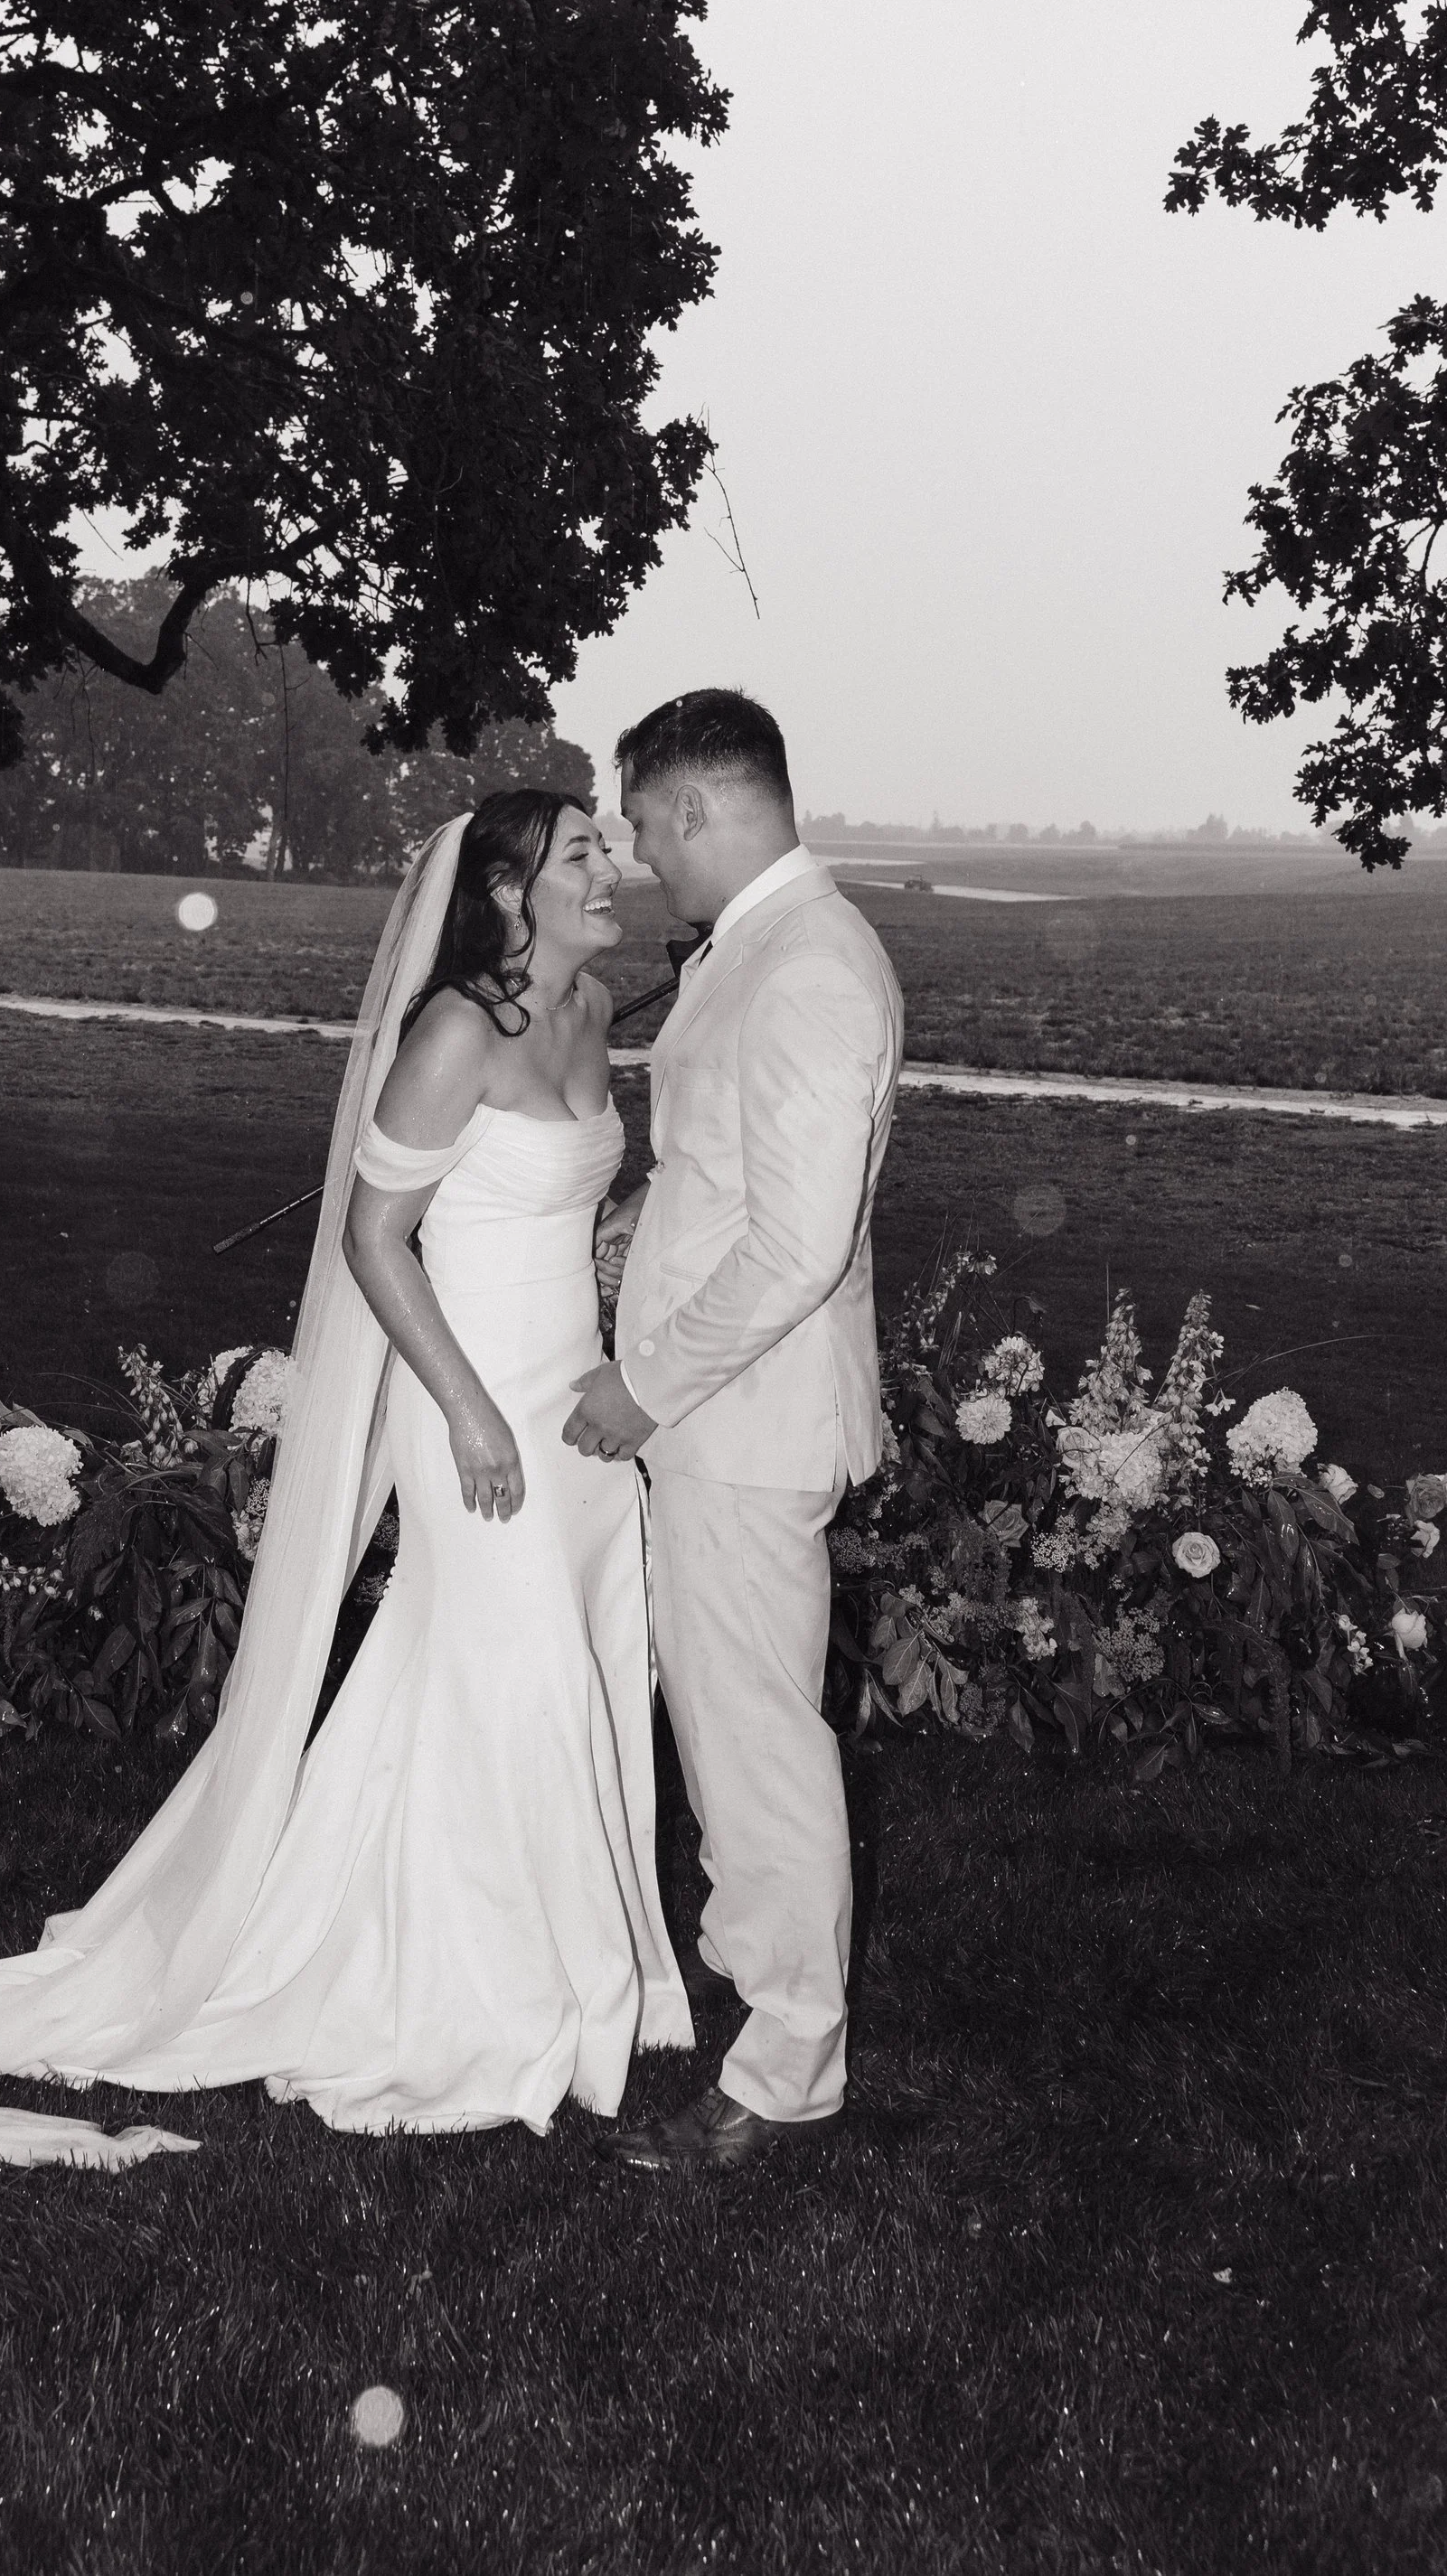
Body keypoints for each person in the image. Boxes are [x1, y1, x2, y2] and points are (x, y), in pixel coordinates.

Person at [0, 793, 687, 2164]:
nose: (611, 867)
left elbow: (566, 1198)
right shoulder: (459, 1027)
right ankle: (487, 1988)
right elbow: (374, 1236)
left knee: (550, 1667)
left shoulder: (588, 1017)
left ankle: (561, 1954)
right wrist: (465, 1413)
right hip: (476, 1411)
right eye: (581, 851)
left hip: (574, 1406)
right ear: (511, 893)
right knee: (509, 1674)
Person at [565, 689, 904, 2176]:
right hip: (720, 1423)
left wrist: (646, 1385)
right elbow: (726, 1182)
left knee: (760, 1750)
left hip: (744, 1428)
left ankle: (781, 2072)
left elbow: (799, 1245)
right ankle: (752, 1989)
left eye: (643, 824)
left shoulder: (811, 964)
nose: (639, 856)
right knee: (726, 1733)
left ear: (699, 804)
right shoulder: (756, 951)